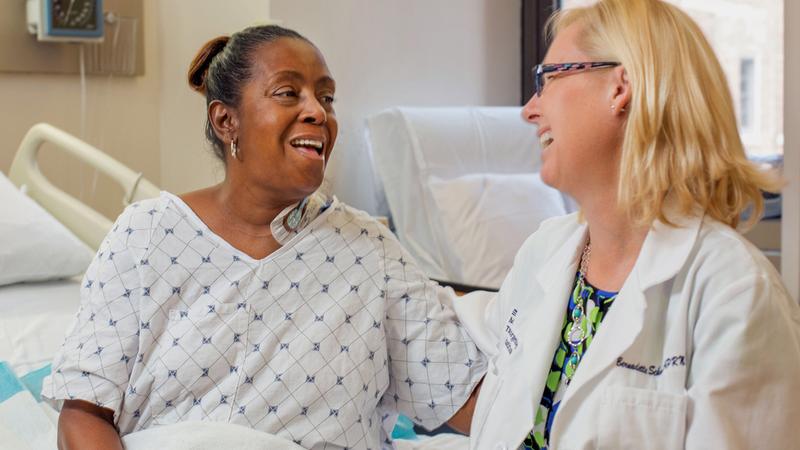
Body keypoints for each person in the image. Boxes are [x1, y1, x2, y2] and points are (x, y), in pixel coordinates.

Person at [42, 25, 485, 450]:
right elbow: (84, 412)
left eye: (327, 97)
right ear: (225, 120)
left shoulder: (370, 251)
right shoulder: (146, 235)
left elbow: (464, 396)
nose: (318, 112)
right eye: (288, 93)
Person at [452, 1, 800, 449]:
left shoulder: (734, 291)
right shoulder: (547, 250)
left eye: (548, 78)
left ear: (621, 87)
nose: (529, 109)